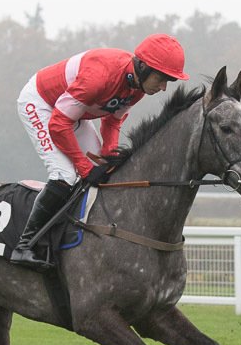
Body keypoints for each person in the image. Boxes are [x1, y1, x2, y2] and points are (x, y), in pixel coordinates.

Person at [10, 33, 190, 270]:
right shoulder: (99, 77)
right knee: (66, 175)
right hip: (42, 104)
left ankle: (72, 236)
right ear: (143, 67)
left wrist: (109, 157)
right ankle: (24, 245)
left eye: (169, 81)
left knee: (104, 172)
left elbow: (112, 122)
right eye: (162, 78)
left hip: (73, 112)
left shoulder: (137, 88)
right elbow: (58, 124)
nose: (164, 87)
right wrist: (84, 168)